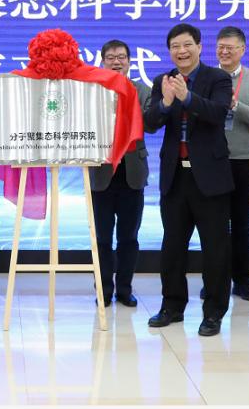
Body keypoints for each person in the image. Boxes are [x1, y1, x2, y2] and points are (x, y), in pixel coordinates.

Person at [144, 23, 233, 337]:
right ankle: (172, 306)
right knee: (172, 246)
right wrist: (167, 102)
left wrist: (188, 97)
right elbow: (149, 123)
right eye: (175, 47)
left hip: (210, 177)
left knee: (215, 248)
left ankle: (214, 312)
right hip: (175, 176)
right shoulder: (163, 81)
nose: (181, 51)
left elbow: (218, 113)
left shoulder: (218, 78)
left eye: (186, 45)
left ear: (199, 47)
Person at [88, 39, 151, 307]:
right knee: (102, 239)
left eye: (122, 57)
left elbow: (151, 123)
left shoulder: (142, 90)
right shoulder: (92, 90)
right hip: (101, 174)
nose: (117, 61)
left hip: (132, 173)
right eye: (111, 57)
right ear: (102, 61)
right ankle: (103, 289)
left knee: (129, 237)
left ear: (129, 61)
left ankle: (125, 289)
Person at [214, 26, 249, 302]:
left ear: (242, 50)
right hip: (212, 160)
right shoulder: (207, 77)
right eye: (220, 47)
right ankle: (215, 280)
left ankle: (242, 280)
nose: (224, 52)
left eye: (230, 47)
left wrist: (234, 105)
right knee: (214, 224)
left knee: (241, 223)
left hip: (242, 160)